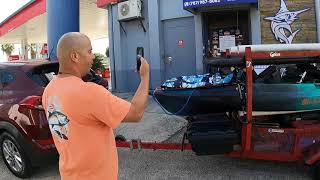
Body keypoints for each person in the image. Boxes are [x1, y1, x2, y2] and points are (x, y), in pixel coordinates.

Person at [42, 32, 150, 180]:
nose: (93, 56)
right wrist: (145, 77)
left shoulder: (49, 90)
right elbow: (136, 113)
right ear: (75, 56)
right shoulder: (89, 92)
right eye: (89, 51)